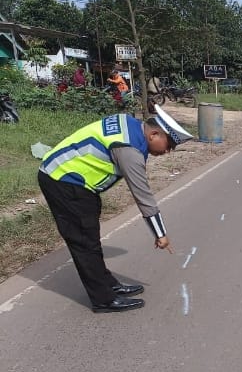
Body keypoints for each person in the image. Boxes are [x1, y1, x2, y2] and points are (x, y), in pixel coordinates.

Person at [37, 106, 193, 313]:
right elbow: (144, 198)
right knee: (84, 241)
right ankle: (103, 299)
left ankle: (108, 283)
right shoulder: (130, 151)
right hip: (64, 180)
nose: (167, 151)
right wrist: (161, 234)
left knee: (90, 237)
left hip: (71, 177)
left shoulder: (129, 123)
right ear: (154, 134)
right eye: (168, 145)